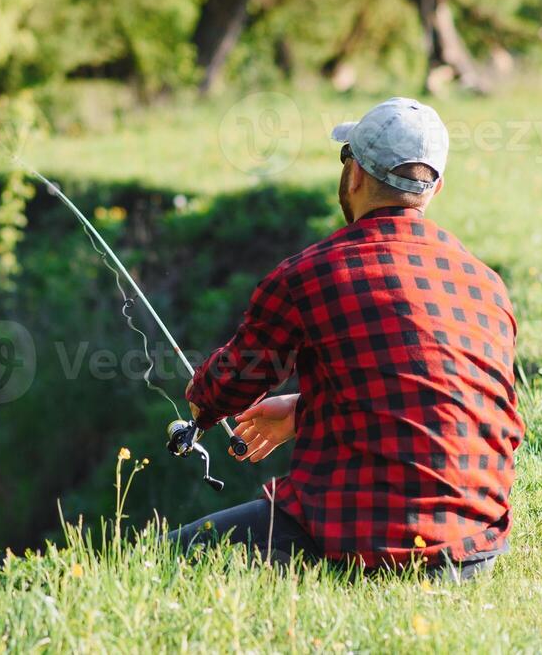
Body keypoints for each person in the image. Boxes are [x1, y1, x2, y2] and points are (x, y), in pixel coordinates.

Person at [170, 97, 523, 581]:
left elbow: (228, 384)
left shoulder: (309, 274)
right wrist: (302, 411)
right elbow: (437, 390)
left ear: (354, 174)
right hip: (477, 547)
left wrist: (199, 409)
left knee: (155, 561)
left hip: (362, 540)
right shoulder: (485, 283)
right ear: (435, 188)